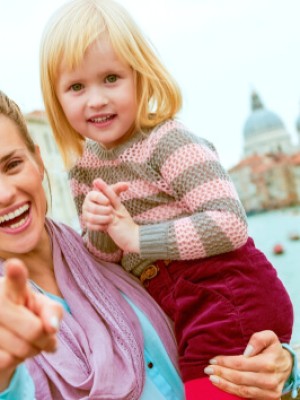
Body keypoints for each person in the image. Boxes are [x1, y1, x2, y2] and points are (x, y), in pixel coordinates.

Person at [38, 0, 298, 398]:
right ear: (58, 100)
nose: (96, 99)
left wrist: (138, 238)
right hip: (180, 307)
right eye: (77, 87)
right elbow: (107, 257)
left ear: (140, 78)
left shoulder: (167, 141)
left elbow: (229, 222)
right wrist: (100, 225)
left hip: (225, 292)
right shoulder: (84, 170)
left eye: (111, 78)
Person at [0, 93, 297, 400]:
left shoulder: (112, 247)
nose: (4, 194)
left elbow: (217, 314)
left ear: (38, 162)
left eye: (12, 164)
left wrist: (284, 367)